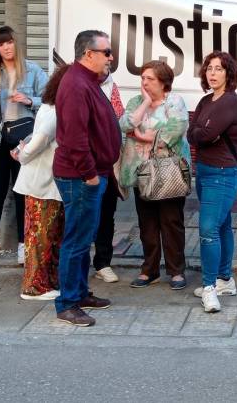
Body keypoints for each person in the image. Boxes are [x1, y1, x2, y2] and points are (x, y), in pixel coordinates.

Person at [52, 30, 121, 327]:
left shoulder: (87, 81)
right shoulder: (76, 85)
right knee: (76, 241)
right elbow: (74, 138)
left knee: (83, 238)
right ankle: (67, 303)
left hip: (92, 174)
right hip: (80, 177)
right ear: (88, 54)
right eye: (106, 52)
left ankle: (79, 293)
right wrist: (90, 174)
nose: (111, 57)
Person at [0, 26, 48, 266]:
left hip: (24, 142)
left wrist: (29, 100)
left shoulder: (33, 70)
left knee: (21, 194)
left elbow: (49, 103)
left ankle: (22, 245)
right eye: (0, 44)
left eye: (9, 43)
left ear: (16, 44)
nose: (5, 47)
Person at [119, 60, 190, 290]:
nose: (145, 82)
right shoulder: (136, 101)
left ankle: (176, 270)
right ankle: (149, 270)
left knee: (171, 222)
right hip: (143, 173)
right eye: (143, 78)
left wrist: (144, 136)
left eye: (150, 79)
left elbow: (176, 128)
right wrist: (146, 103)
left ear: (163, 82)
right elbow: (125, 124)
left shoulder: (174, 101)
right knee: (146, 223)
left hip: (169, 171)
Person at [187, 51, 237, 313]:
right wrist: (202, 133)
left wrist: (203, 133)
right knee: (222, 226)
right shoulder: (205, 101)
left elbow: (206, 133)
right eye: (209, 69)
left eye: (219, 69)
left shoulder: (230, 102)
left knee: (209, 230)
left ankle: (210, 287)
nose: (212, 73)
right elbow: (193, 134)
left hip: (223, 173)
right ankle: (225, 279)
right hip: (205, 170)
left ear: (228, 74)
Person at [13, 65, 70, 300]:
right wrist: (22, 155)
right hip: (41, 182)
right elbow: (40, 141)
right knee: (40, 236)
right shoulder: (55, 111)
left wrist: (22, 153)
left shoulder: (51, 107)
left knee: (47, 235)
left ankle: (45, 282)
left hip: (46, 182)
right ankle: (34, 287)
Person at [90, 71, 126, 284]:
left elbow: (119, 118)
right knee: (81, 217)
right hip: (85, 163)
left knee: (106, 215)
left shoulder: (112, 87)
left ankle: (103, 263)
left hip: (109, 163)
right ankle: (74, 265)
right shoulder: (80, 86)